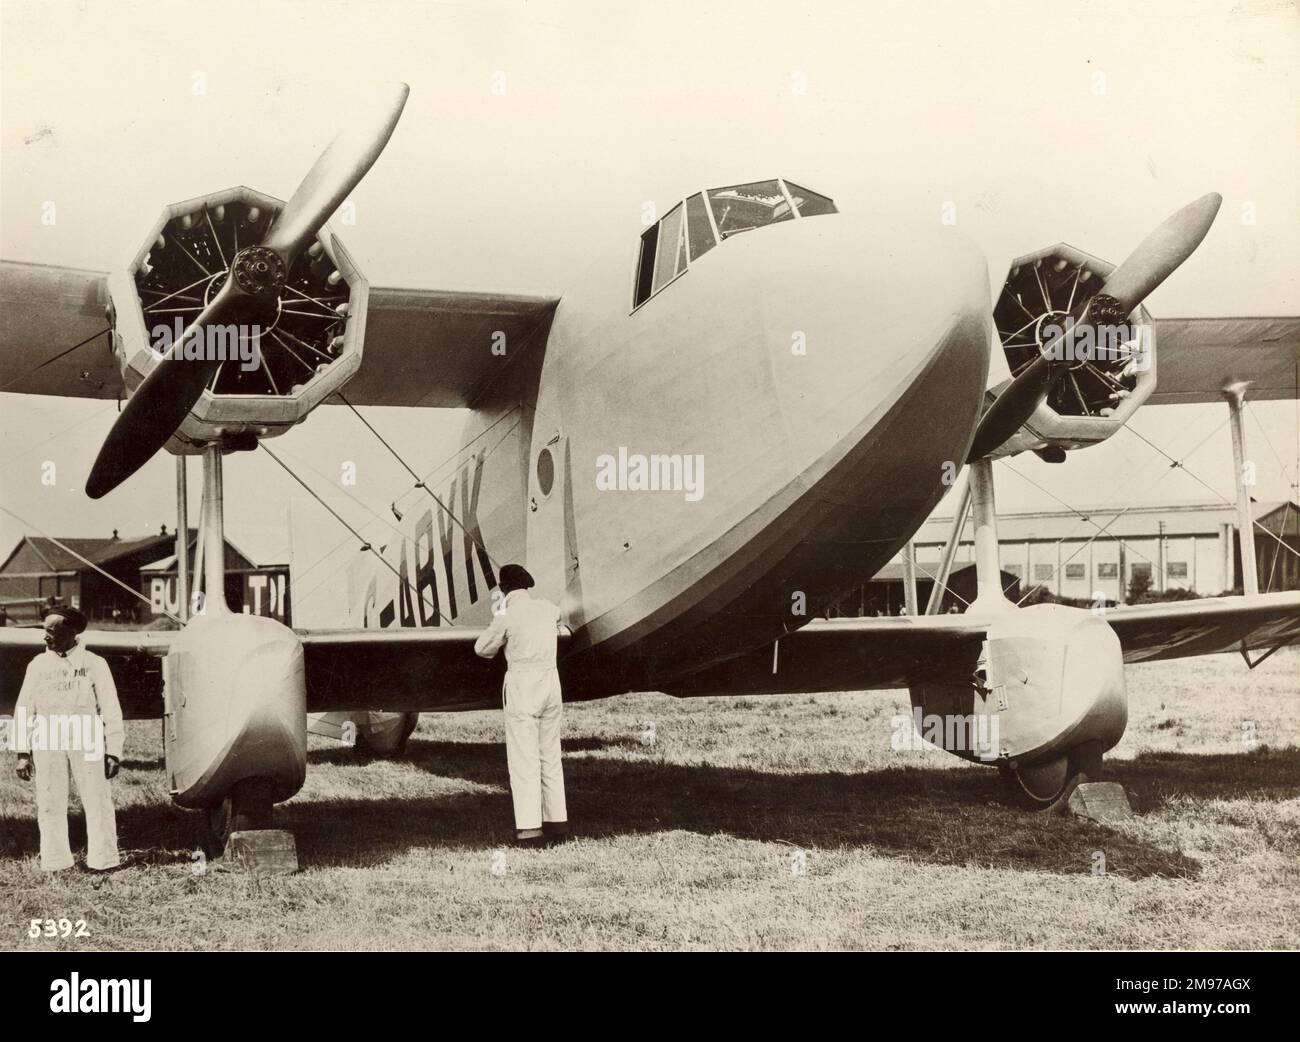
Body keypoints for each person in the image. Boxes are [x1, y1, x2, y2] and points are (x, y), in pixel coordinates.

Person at [13, 606, 124, 873]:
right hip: (47, 735)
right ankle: (55, 861)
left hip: (85, 734)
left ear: (72, 631)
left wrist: (114, 751)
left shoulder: (95, 664)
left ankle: (104, 860)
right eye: (45, 631)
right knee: (50, 801)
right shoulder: (38, 665)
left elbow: (111, 708)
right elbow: (24, 707)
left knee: (97, 799)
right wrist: (22, 753)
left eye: (51, 631)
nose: (46, 637)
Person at [474, 564, 568, 848]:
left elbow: (482, 648)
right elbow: (558, 616)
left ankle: (529, 830)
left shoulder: (506, 614)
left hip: (522, 686)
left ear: (503, 589)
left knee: (523, 759)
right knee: (550, 755)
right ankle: (558, 822)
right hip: (551, 683)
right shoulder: (548, 609)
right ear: (526, 585)